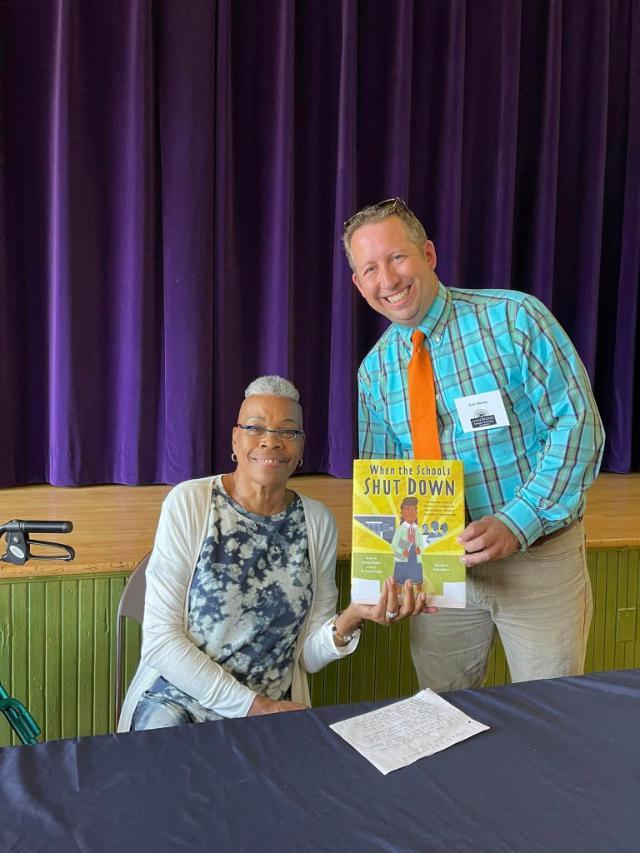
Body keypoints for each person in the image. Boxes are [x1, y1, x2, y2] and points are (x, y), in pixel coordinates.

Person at [342, 197, 605, 693]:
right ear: (359, 284)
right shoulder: (374, 372)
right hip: (441, 577)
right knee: (444, 715)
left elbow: (578, 429)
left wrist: (517, 522)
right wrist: (396, 574)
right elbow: (388, 482)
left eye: (398, 257)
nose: (389, 280)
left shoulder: (514, 319)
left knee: (551, 713)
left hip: (538, 560)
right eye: (370, 268)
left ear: (429, 254)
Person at [118, 375, 430, 731]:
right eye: (256, 428)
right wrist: (255, 707)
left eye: (288, 432)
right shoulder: (190, 502)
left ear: (300, 448)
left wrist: (353, 616)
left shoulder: (317, 522)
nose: (271, 441)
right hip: (179, 702)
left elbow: (308, 657)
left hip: (270, 712)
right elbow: (162, 643)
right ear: (235, 439)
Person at [390, 496, 425, 593]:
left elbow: (422, 544)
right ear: (402, 513)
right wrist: (402, 551)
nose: (411, 512)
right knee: (400, 579)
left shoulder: (418, 529)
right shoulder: (400, 529)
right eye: (407, 509)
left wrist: (419, 549)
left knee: (418, 577)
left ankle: (419, 595)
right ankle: (398, 596)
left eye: (414, 509)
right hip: (402, 556)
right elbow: (393, 545)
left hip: (415, 556)